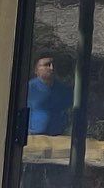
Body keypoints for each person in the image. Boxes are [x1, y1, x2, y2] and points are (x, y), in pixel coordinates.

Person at [22, 53, 74, 185]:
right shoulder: (28, 89)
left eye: (53, 65)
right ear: (36, 69)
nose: (51, 68)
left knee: (54, 181)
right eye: (46, 65)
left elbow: (72, 113)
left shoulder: (63, 90)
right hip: (33, 141)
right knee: (31, 179)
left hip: (58, 142)